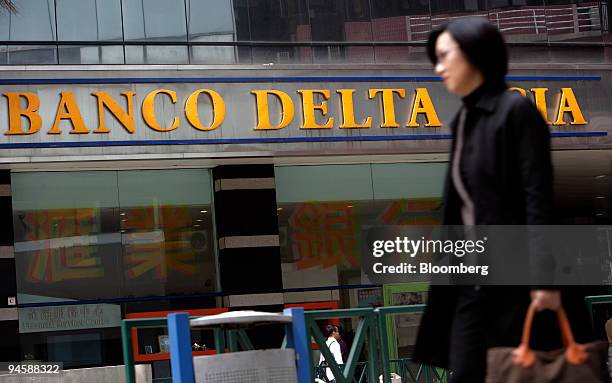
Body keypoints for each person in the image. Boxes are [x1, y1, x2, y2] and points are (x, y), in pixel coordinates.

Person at [412, 16, 576, 383]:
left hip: (516, 281)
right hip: (472, 279)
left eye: (444, 56)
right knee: (467, 373)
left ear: (475, 53)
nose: (438, 68)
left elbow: (538, 198)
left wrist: (543, 278)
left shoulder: (516, 112)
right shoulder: (463, 121)